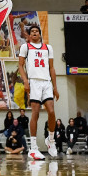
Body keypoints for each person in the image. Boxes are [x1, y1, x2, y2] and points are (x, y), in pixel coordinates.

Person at [16, 23, 59, 160]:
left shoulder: (48, 48)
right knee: (35, 113)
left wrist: (55, 86)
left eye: (37, 31)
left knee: (51, 112)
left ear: (40, 34)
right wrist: (26, 81)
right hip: (34, 81)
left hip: (46, 81)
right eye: (32, 31)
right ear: (29, 35)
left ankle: (50, 140)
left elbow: (52, 68)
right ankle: (33, 148)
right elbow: (20, 65)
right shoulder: (25, 47)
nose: (35, 33)